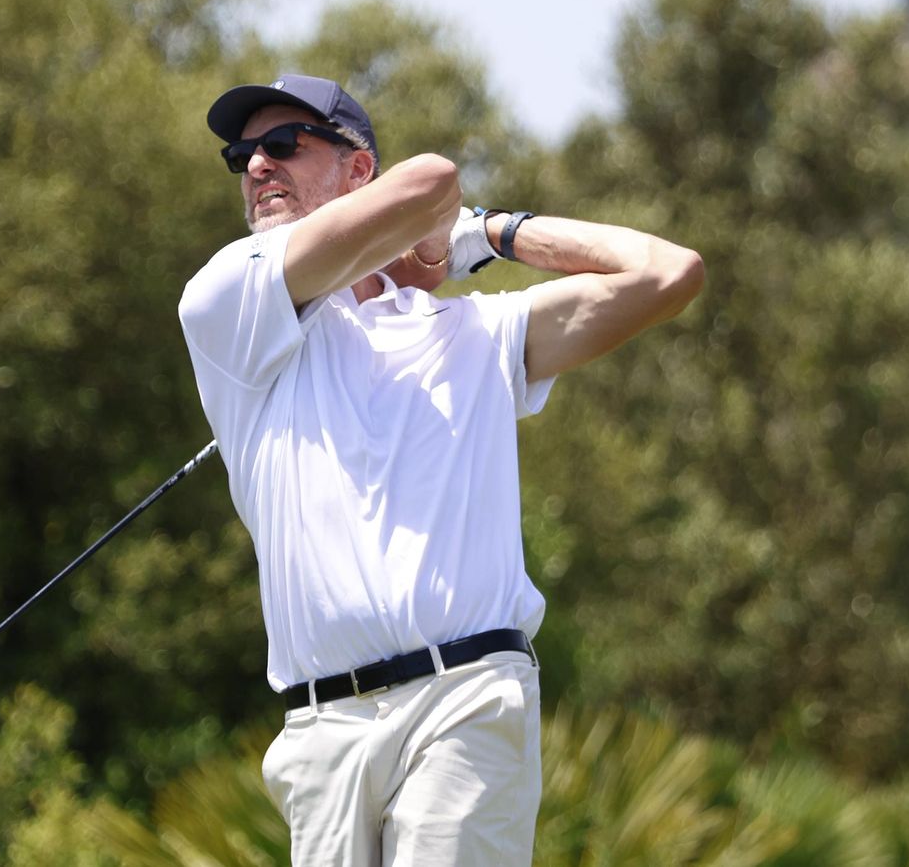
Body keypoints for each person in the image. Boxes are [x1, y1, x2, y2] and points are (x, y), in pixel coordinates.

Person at [177, 74, 704, 866]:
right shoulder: (227, 301)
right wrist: (430, 228)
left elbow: (668, 272)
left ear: (359, 172)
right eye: (242, 154)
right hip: (323, 732)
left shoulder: (477, 330)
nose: (255, 166)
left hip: (465, 699)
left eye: (284, 145)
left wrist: (488, 234)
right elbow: (427, 186)